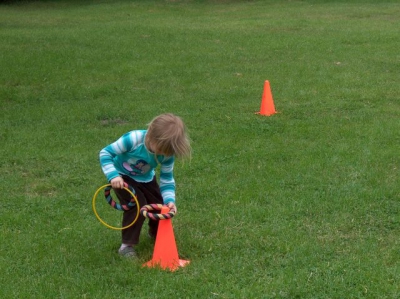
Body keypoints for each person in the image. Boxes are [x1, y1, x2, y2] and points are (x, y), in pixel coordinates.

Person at [99, 113, 191, 257]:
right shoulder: (133, 139)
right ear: (150, 135)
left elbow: (167, 178)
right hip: (122, 176)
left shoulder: (167, 153)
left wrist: (170, 201)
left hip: (146, 177)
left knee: (160, 206)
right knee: (137, 205)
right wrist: (113, 176)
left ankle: (158, 234)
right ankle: (126, 246)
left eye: (165, 151)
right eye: (159, 149)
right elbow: (105, 153)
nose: (161, 153)